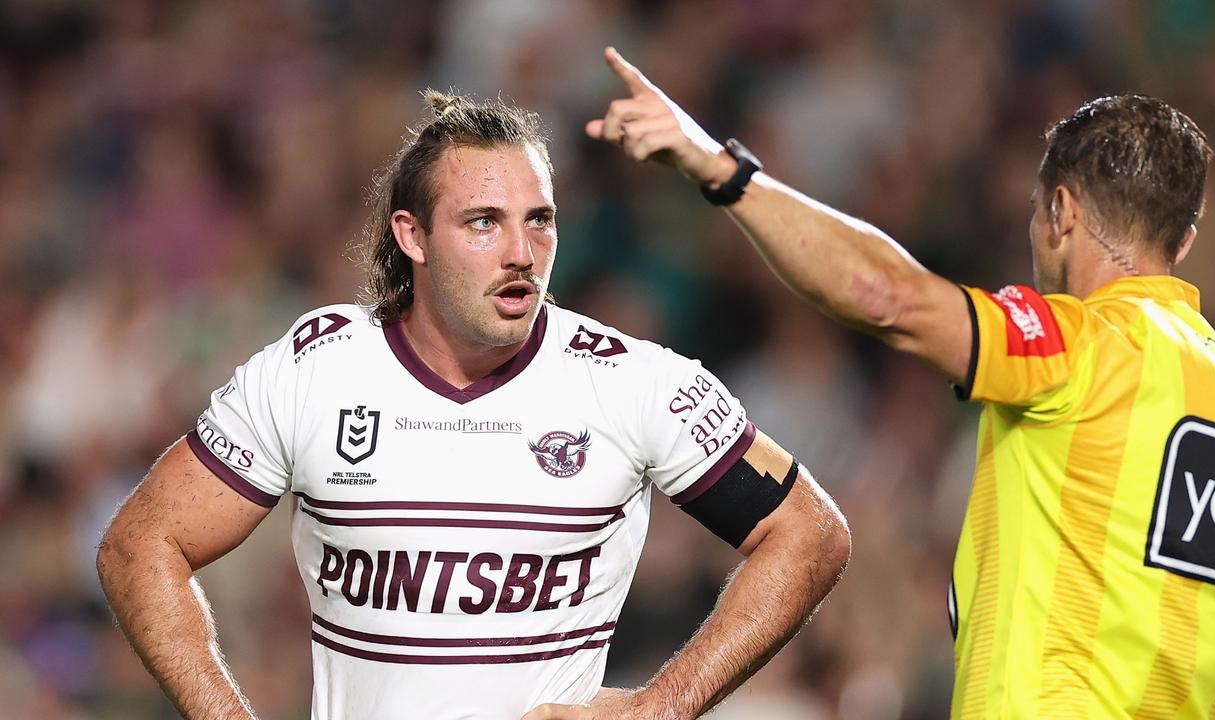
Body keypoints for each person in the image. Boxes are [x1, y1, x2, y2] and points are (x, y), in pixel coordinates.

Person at [95, 89, 851, 720]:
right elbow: (140, 546)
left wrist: (666, 706)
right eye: (484, 222)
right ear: (412, 235)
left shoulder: (630, 382)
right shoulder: (315, 371)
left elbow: (809, 533)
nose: (521, 251)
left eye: (540, 220)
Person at [588, 47, 1215, 718]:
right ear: (1181, 242)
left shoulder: (1082, 342)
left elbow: (886, 296)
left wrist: (719, 167)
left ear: (1061, 212)